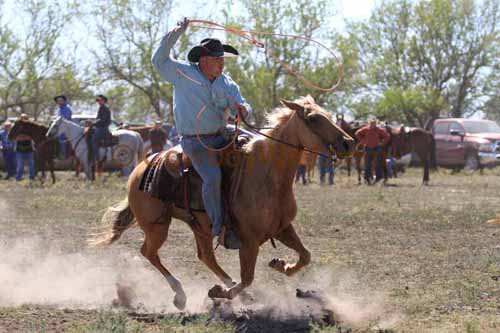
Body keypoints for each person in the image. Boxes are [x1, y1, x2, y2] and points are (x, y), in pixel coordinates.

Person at [152, 17, 251, 249]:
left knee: (257, 145)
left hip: (222, 132)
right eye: (218, 59)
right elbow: (158, 61)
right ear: (204, 60)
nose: (222, 63)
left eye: (222, 59)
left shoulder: (226, 83)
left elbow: (242, 104)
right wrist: (176, 32)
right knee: (212, 178)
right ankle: (220, 228)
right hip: (195, 141)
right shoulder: (182, 73)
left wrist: (243, 110)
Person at [355, 117, 390, 184]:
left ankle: (378, 178)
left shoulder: (379, 129)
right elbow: (357, 133)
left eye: (374, 123)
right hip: (367, 148)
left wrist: (382, 142)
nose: (372, 124)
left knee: (378, 163)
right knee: (367, 164)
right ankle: (367, 178)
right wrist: (362, 140)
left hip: (377, 148)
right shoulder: (365, 129)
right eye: (371, 123)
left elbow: (387, 136)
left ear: (376, 123)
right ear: (369, 123)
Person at [14, 114, 36, 182]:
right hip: (19, 150)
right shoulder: (17, 128)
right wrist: (25, 137)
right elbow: (16, 138)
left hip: (29, 150)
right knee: (20, 165)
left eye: (25, 118)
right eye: (22, 118)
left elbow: (31, 137)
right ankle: (18, 179)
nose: (24, 119)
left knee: (31, 165)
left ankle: (32, 178)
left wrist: (22, 137)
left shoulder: (30, 128)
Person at [92, 94, 112, 162]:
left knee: (94, 140)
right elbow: (98, 119)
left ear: (104, 101)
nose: (99, 102)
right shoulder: (101, 108)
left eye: (100, 100)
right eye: (98, 100)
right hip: (99, 127)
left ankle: (96, 157)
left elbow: (102, 120)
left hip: (103, 128)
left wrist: (93, 123)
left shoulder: (105, 109)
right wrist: (92, 122)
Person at [54, 95, 72, 159]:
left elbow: (65, 119)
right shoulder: (58, 109)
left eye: (61, 100)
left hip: (66, 128)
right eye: (58, 101)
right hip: (59, 128)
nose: (59, 102)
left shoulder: (67, 108)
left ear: (64, 101)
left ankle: (63, 154)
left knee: (61, 139)